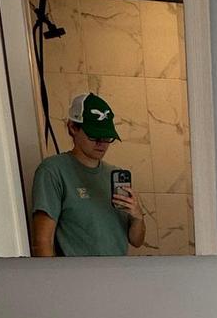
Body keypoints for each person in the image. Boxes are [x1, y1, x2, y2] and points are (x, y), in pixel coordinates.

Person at [30, 92, 147, 257]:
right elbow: (42, 242)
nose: (101, 143)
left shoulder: (114, 174)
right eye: (94, 135)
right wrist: (53, 281)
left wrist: (137, 215)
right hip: (79, 277)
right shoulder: (53, 171)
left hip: (118, 274)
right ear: (73, 128)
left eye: (107, 137)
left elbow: (136, 241)